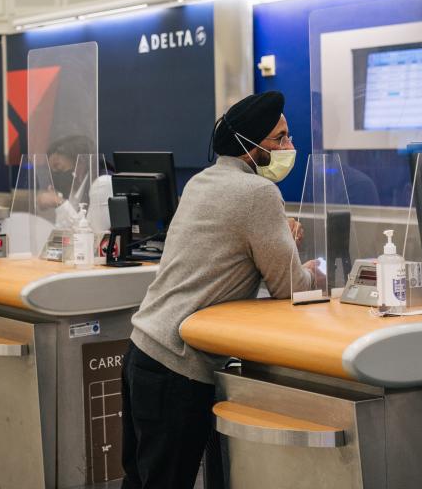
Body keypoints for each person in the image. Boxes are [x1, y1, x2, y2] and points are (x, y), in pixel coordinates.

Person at [121, 90, 323, 489]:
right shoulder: (258, 193)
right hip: (179, 366)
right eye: (280, 139)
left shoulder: (203, 180)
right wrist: (310, 269)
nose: (290, 147)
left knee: (141, 480)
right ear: (251, 147)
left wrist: (280, 237)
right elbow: (290, 287)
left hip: (142, 351)